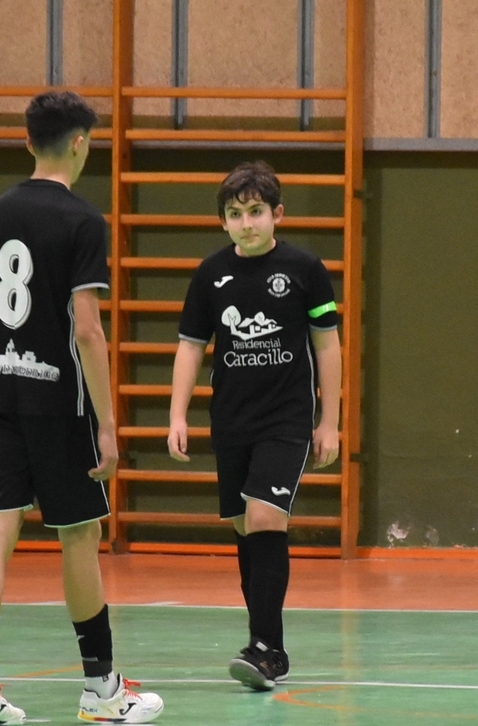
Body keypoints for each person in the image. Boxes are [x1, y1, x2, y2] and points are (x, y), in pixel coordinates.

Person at [0, 90, 163, 724]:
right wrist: (108, 422)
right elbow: (88, 330)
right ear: (80, 143)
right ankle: (102, 690)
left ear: (28, 141)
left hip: (0, 389)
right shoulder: (83, 221)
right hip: (60, 401)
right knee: (80, 533)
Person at [168, 161, 342, 690]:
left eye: (256, 211)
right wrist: (177, 414)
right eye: (235, 214)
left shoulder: (305, 269)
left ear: (277, 214)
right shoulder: (210, 275)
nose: (246, 223)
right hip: (231, 421)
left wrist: (329, 421)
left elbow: (327, 345)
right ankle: (267, 644)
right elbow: (191, 346)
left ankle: (265, 650)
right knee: (246, 529)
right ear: (223, 221)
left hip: (286, 419)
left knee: (266, 518)